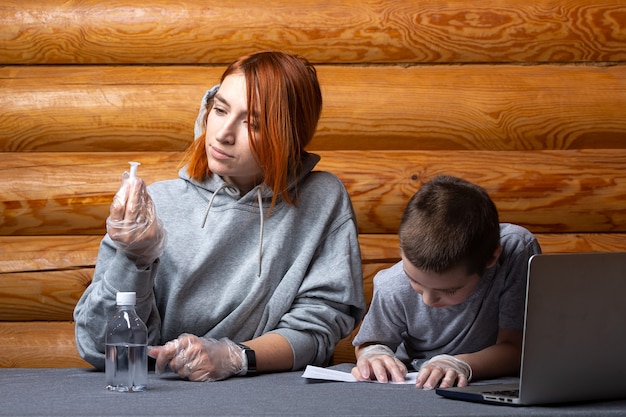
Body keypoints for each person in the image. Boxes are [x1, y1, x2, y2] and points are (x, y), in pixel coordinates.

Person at [74, 51, 365, 382]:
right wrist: (133, 259)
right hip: (157, 396)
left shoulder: (321, 199)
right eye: (220, 109)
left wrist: (236, 357)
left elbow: (318, 328)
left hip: (268, 395)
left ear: (290, 136)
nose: (223, 134)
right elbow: (97, 347)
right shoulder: (156, 204)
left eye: (252, 123)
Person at [351, 175, 541, 389]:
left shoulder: (516, 250)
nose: (428, 299)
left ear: (491, 258)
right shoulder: (393, 286)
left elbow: (518, 349)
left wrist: (461, 364)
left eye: (449, 290)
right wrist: (373, 355)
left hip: (487, 383)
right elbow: (368, 343)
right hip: (418, 384)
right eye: (414, 280)